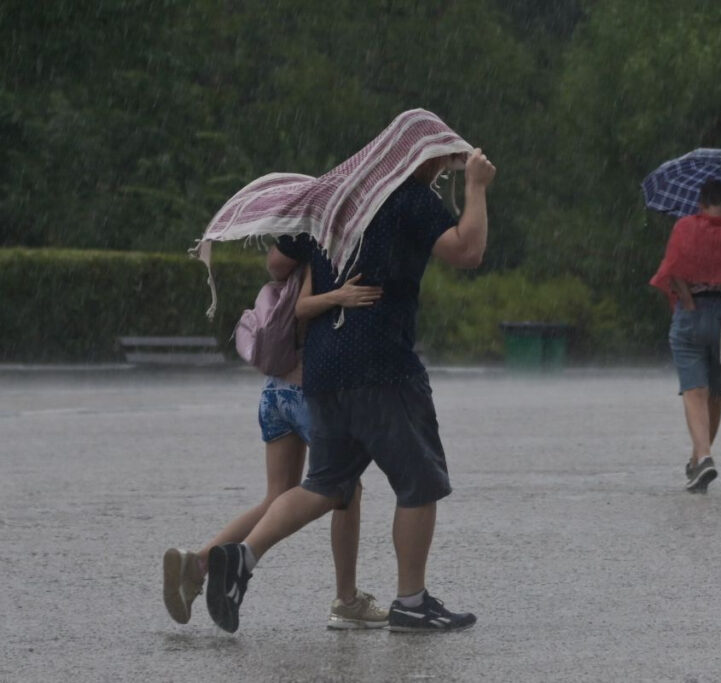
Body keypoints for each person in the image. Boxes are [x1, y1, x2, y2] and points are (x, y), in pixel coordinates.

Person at [202, 129, 496, 634]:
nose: (439, 171)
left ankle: (242, 559)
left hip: (322, 367)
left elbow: (277, 262)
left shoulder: (334, 197)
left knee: (324, 485)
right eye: (438, 161)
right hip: (383, 365)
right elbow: (467, 251)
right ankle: (412, 602)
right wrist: (476, 188)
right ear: (418, 158)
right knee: (419, 481)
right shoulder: (409, 199)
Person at [162, 256, 388, 630]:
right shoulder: (322, 254)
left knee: (277, 496)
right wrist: (341, 295)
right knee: (346, 487)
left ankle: (198, 563)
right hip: (305, 395)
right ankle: (347, 601)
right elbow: (302, 308)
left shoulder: (289, 259)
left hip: (274, 393)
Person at [649, 178, 721, 493]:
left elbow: (671, 270)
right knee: (715, 394)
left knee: (693, 391)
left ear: (700, 203)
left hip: (691, 315)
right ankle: (700, 460)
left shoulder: (685, 228)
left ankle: (702, 457)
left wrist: (687, 299)